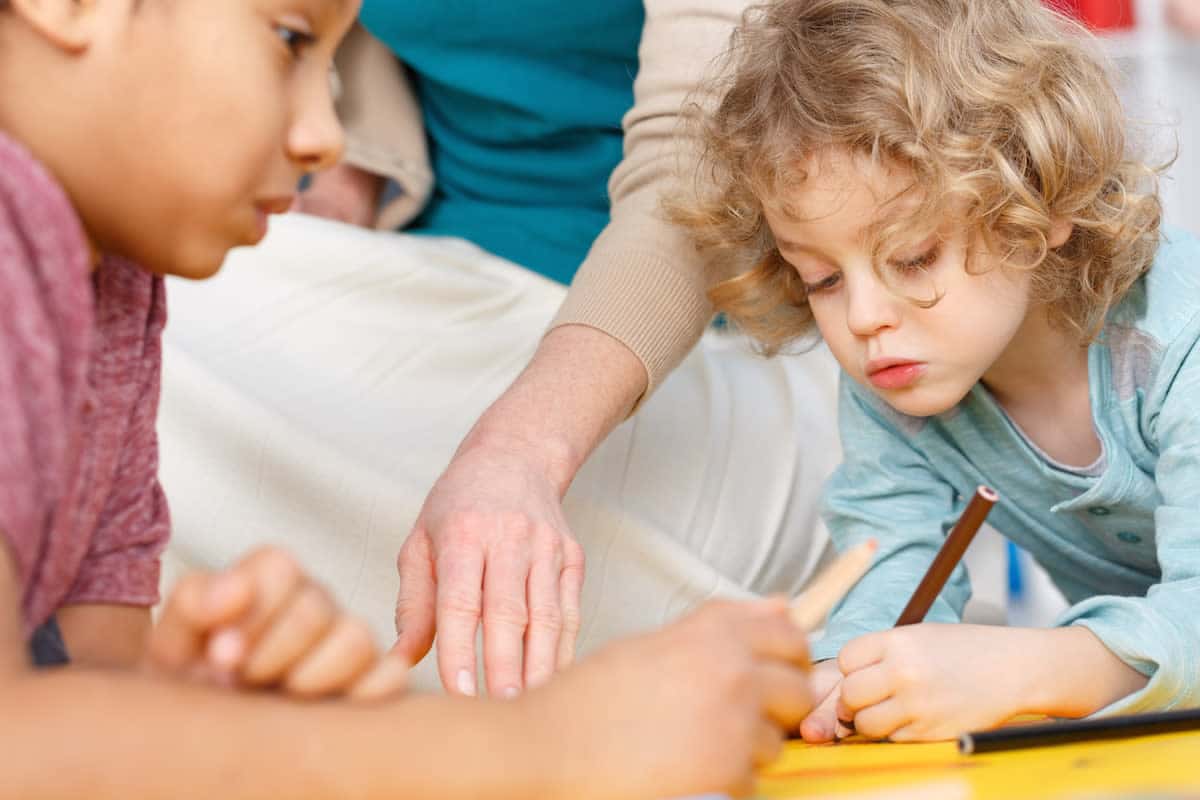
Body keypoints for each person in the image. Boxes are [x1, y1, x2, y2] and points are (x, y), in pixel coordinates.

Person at [0, 0, 818, 795]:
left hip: (677, 360)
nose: (323, 133)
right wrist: (539, 750)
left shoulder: (110, 284)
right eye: (290, 43)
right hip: (410, 283)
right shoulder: (82, 252)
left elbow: (83, 683)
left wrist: (174, 717)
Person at [158, 0, 842, 697]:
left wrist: (517, 455)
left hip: (711, 354)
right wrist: (348, 172)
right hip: (426, 279)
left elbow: (699, 166)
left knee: (152, 352)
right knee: (136, 296)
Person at [671, 0, 1198, 743]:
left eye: (912, 258)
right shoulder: (898, 378)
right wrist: (849, 676)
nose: (862, 318)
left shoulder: (1183, 337)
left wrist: (1033, 670)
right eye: (822, 278)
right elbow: (892, 562)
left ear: (1044, 197)